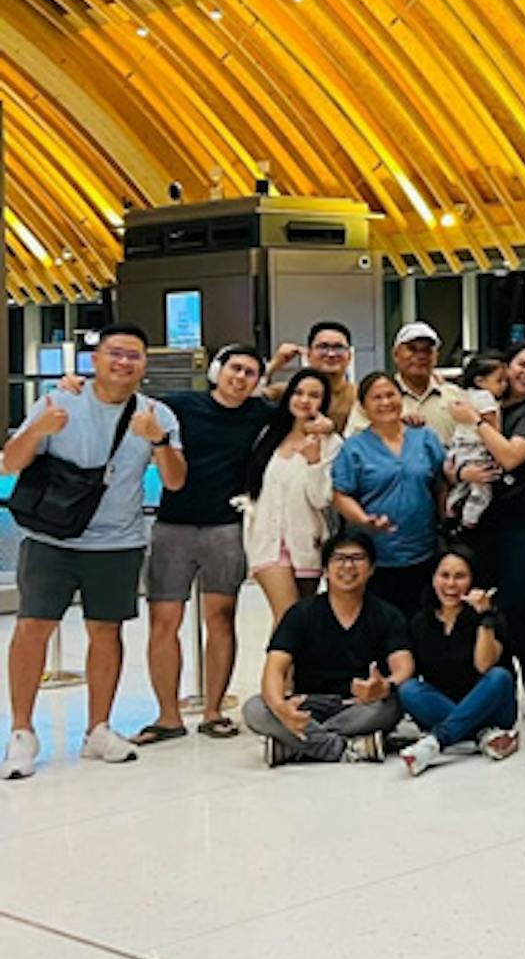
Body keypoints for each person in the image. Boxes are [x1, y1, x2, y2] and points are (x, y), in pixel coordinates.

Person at [1, 323, 184, 779]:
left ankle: (98, 728)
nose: (124, 363)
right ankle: (22, 731)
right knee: (32, 628)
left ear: (144, 365)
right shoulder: (58, 402)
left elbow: (177, 481)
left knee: (107, 632)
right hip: (51, 539)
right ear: (95, 359)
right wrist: (38, 428)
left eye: (134, 356)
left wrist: (157, 440)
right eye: (115, 353)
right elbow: (10, 462)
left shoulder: (157, 413)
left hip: (118, 542)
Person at [137, 343, 272, 743]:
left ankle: (214, 711)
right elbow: (131, 404)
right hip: (172, 525)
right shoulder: (180, 405)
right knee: (164, 621)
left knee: (221, 618)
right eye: (235, 368)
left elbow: (299, 408)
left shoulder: (260, 414)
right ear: (218, 370)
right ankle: (167, 715)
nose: (240, 377)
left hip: (226, 528)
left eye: (250, 372)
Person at [241, 527, 413, 766]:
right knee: (255, 708)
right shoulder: (301, 613)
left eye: (357, 559)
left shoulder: (387, 614)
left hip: (358, 705)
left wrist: (384, 686)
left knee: (392, 706)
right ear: (325, 570)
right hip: (308, 703)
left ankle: (295, 746)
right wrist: (281, 708)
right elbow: (274, 669)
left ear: (372, 568)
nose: (348, 567)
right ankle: (348, 748)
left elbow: (404, 666)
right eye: (339, 559)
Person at [454, 340, 525, 712]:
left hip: (518, 515)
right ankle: (499, 678)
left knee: (516, 598)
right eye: (522, 365)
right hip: (478, 517)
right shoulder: (480, 403)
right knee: (483, 601)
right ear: (504, 367)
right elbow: (453, 453)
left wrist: (477, 422)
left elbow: (511, 457)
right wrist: (461, 470)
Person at [396, 546, 520, 774]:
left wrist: (485, 616)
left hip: (492, 707)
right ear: (433, 579)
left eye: (460, 576)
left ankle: (438, 741)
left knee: (499, 677)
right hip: (443, 704)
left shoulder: (492, 617)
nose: (451, 584)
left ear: (473, 580)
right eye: (444, 575)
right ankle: (482, 735)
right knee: (409, 690)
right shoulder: (421, 621)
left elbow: (484, 665)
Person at [332, 372, 446, 617]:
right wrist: (363, 520)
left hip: (423, 550)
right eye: (377, 397)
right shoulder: (354, 447)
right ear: (364, 406)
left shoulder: (424, 437)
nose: (385, 402)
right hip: (376, 555)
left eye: (390, 395)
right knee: (383, 628)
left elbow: (441, 481)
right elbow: (340, 494)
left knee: (421, 624)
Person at [238, 366, 342, 626]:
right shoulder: (269, 434)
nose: (304, 400)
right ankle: (278, 668)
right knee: (288, 618)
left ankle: (286, 668)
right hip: (266, 544)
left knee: (299, 624)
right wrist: (274, 364)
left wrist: (314, 462)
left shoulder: (332, 443)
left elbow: (320, 499)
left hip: (307, 544)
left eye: (314, 395)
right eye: (298, 392)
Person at [348, 322, 456, 441]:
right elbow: (354, 442)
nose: (420, 356)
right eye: (412, 349)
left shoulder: (455, 397)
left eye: (427, 350)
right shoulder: (375, 397)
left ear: (436, 357)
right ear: (396, 354)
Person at [442, 352, 507, 533]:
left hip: (458, 447)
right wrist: (499, 448)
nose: (504, 385)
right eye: (499, 380)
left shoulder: (462, 395)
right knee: (481, 490)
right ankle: (469, 523)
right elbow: (492, 427)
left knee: (462, 485)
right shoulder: (486, 398)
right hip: (477, 448)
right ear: (480, 381)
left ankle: (451, 509)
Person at [268, 319, 358, 433]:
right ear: (308, 354)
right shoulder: (287, 391)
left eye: (338, 347)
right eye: (323, 347)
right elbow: (245, 395)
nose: (331, 354)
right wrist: (275, 364)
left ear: (349, 355)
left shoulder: (361, 397)